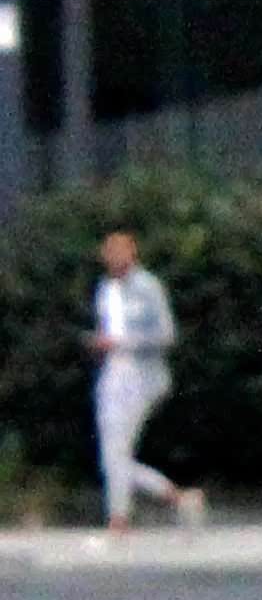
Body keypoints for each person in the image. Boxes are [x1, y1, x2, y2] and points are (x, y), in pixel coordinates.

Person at [84, 226, 201, 533]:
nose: (113, 258)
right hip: (112, 374)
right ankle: (167, 501)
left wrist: (122, 342)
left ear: (131, 253)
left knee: (117, 453)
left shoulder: (148, 287)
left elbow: (166, 334)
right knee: (113, 453)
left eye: (119, 252)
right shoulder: (105, 289)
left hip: (142, 376)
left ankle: (121, 517)